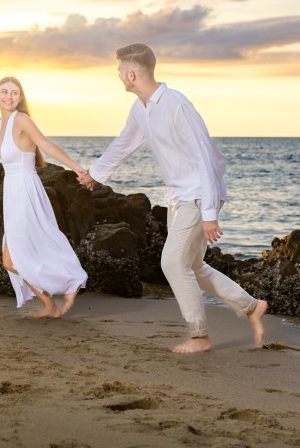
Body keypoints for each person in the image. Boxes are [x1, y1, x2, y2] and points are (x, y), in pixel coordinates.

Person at [77, 44, 268, 353]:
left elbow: (204, 157)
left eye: (119, 72)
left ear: (132, 73)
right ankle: (250, 306)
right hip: (179, 196)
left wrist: (209, 213)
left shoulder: (177, 104)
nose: (118, 77)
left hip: (199, 193)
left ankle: (200, 336)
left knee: (172, 262)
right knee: (192, 264)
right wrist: (93, 174)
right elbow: (123, 144)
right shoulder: (141, 109)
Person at [0, 76, 89, 318]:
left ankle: (72, 282)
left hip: (26, 191)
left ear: (20, 97)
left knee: (26, 250)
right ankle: (50, 305)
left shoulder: (22, 120)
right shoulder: (0, 124)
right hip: (12, 195)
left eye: (14, 92)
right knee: (11, 261)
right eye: (4, 91)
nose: (9, 96)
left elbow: (46, 144)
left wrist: (78, 168)